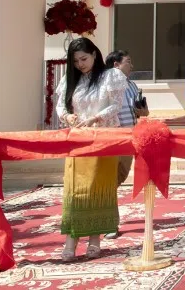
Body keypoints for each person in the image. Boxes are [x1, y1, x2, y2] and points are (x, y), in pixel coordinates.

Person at [55, 37, 128, 261]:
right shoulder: (71, 78)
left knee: (98, 187)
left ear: (95, 54)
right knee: (75, 189)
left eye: (84, 59)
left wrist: (96, 118)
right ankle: (71, 238)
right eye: (76, 61)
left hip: (103, 138)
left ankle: (95, 239)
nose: (80, 64)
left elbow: (116, 105)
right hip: (78, 139)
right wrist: (67, 115)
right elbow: (60, 105)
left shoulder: (111, 76)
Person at [103, 49, 149, 240]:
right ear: (116, 65)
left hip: (130, 137)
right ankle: (109, 221)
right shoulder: (104, 84)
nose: (132, 66)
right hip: (112, 137)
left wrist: (142, 110)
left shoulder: (131, 85)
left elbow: (142, 113)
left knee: (119, 177)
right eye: (128, 62)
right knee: (110, 181)